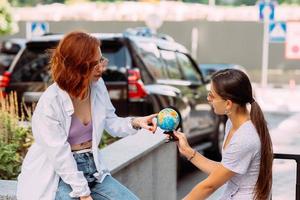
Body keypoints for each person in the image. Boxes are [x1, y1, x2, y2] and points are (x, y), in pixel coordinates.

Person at [17, 31, 158, 200]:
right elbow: (60, 155)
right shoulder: (51, 102)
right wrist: (83, 194)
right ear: (76, 65)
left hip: (93, 170)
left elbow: (111, 122)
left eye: (100, 60)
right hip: (60, 175)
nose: (101, 67)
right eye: (93, 64)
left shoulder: (97, 86)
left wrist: (136, 122)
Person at [173, 69, 273, 200]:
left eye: (212, 96)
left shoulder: (245, 137)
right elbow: (224, 170)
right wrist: (188, 151)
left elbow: (209, 186)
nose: (208, 99)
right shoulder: (232, 124)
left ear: (228, 104)